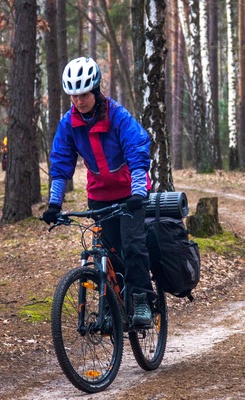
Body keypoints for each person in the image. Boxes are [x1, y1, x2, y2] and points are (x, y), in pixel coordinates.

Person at [42, 57, 153, 326]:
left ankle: (141, 301)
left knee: (133, 245)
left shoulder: (118, 116)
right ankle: (109, 307)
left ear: (96, 90)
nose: (79, 101)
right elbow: (60, 163)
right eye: (74, 96)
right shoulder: (69, 123)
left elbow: (138, 151)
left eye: (83, 94)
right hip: (99, 195)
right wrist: (54, 204)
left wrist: (138, 192)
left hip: (130, 193)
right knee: (105, 252)